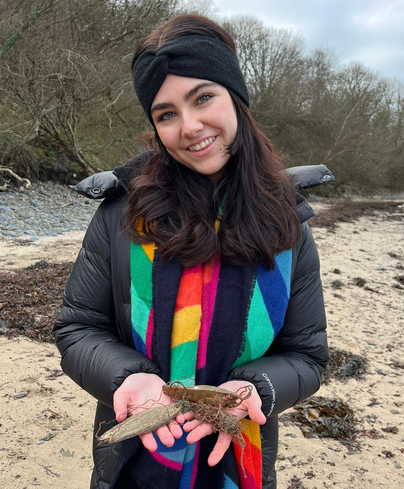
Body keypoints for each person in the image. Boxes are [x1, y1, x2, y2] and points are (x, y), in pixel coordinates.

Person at [53, 14, 331, 489]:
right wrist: (128, 378)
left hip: (238, 458)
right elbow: (78, 328)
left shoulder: (287, 223)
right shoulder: (121, 215)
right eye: (166, 114)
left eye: (203, 97)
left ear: (235, 96)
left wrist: (256, 389)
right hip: (130, 459)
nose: (190, 126)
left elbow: (306, 354)